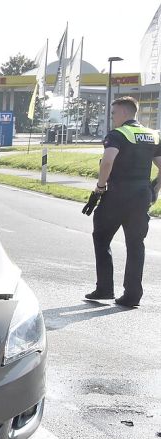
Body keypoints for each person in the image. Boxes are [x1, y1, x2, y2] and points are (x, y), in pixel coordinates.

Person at [83, 97, 161, 308]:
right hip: (141, 195)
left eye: (113, 113)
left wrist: (100, 187)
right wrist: (154, 189)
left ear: (124, 113)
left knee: (101, 238)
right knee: (136, 245)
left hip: (117, 195)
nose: (112, 118)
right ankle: (132, 295)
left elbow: (108, 161)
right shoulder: (151, 135)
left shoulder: (118, 135)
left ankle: (105, 288)